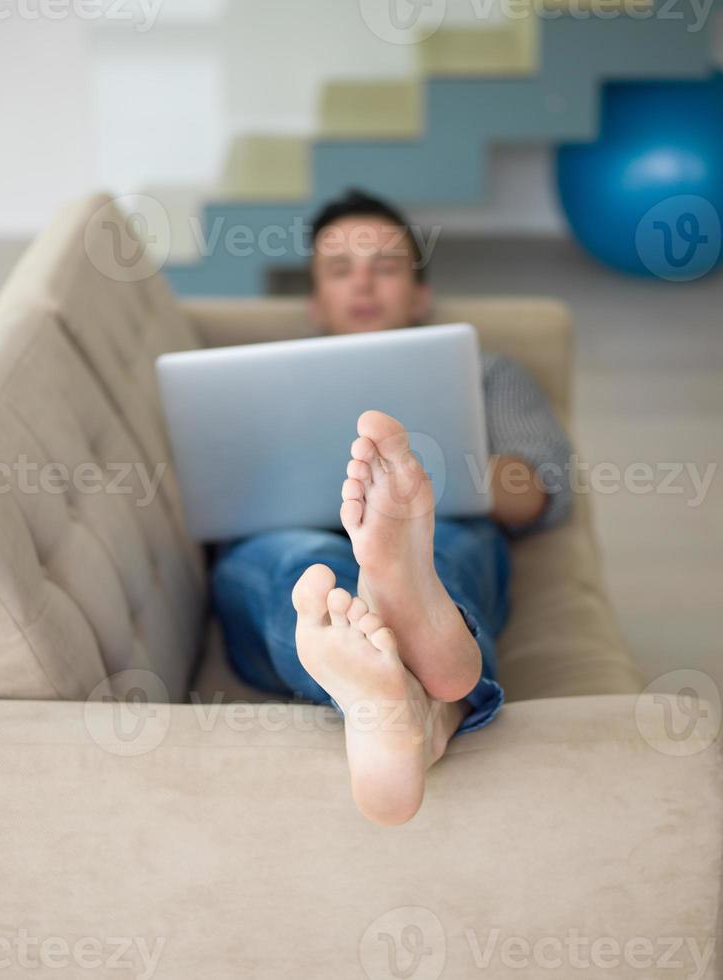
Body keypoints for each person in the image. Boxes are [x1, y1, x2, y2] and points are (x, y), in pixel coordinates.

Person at [211, 189, 573, 827]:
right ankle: (431, 711)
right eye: (341, 269)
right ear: (314, 301)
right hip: (284, 535)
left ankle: (397, 656)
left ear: (421, 294)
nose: (364, 284)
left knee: (432, 559)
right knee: (305, 567)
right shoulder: (251, 383)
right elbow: (212, 497)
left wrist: (422, 482)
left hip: (447, 528)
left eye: (384, 266)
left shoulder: (485, 371)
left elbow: (543, 490)